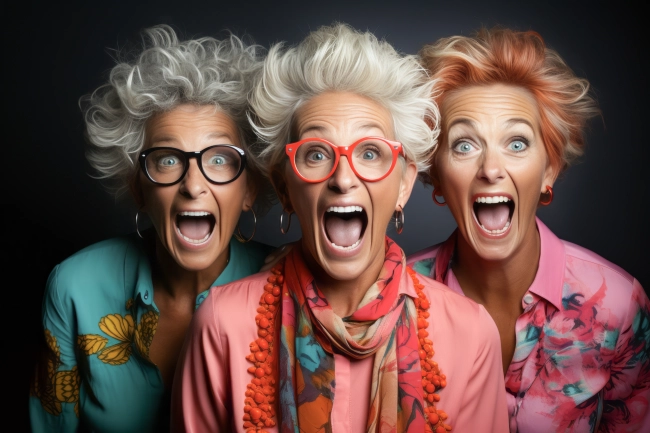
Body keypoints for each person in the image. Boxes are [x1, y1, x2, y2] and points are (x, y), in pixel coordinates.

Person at [172, 22, 509, 433]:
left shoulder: (469, 333)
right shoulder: (223, 324)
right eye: (316, 154)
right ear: (284, 186)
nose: (344, 178)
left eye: (370, 152)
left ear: (403, 184)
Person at [29, 24, 273, 433]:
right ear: (137, 187)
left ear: (249, 189)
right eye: (167, 159)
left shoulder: (283, 287)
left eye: (219, 159)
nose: (193, 185)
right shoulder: (75, 287)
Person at [407, 27, 650, 432]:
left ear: (549, 169)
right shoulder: (399, 301)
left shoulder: (618, 306)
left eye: (516, 143)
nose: (490, 169)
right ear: (436, 174)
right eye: (464, 145)